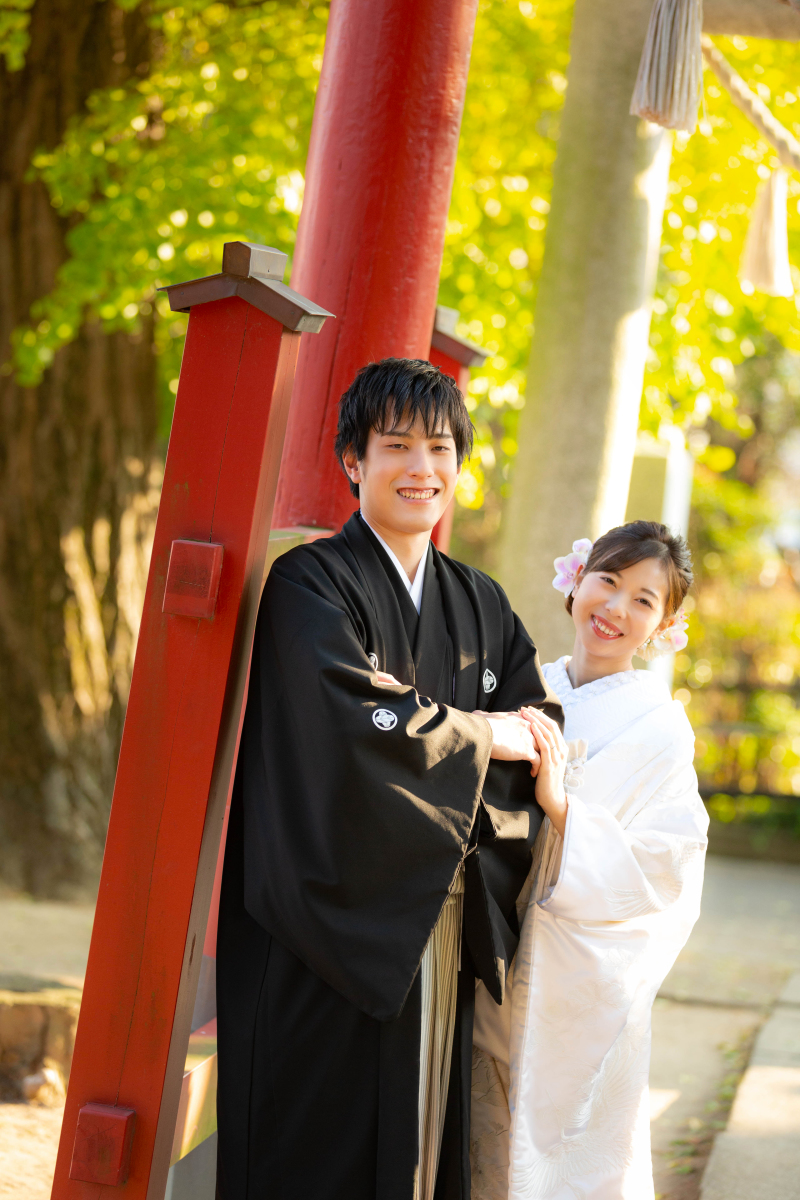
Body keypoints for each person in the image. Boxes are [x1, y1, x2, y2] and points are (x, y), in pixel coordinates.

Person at [216, 358, 562, 1200]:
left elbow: (539, 724)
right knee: (311, 1149)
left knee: (418, 1150)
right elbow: (348, 721)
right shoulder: (310, 584)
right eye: (396, 445)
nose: (421, 468)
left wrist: (528, 751)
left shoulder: (479, 602)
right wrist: (482, 733)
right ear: (352, 461)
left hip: (433, 924)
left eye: (439, 448)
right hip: (319, 926)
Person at [470, 521, 709, 1200]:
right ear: (576, 583)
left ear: (664, 626)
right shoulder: (523, 688)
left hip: (580, 977)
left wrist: (565, 808)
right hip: (493, 947)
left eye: (644, 600)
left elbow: (668, 865)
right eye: (608, 581)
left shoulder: (660, 728)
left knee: (568, 1159)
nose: (617, 609)